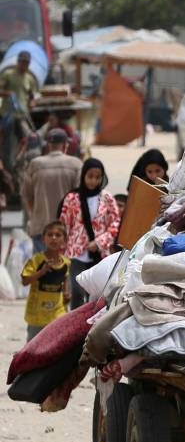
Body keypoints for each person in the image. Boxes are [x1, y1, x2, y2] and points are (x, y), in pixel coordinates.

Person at [58, 158, 121, 310]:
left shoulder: (107, 198)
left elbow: (115, 223)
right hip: (76, 254)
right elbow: (64, 224)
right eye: (90, 176)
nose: (93, 181)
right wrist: (61, 252)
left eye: (97, 177)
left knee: (99, 294)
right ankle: (75, 329)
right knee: (77, 293)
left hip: (100, 254)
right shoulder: (72, 198)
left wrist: (99, 242)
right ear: (83, 176)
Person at [21, 128, 83, 253]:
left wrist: (34, 215)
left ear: (48, 145)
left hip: (41, 228)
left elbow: (27, 196)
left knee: (41, 269)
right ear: (66, 145)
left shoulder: (35, 164)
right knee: (65, 269)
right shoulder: (76, 164)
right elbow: (80, 198)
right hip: (66, 230)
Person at [20, 221, 71, 341]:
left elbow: (65, 283)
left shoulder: (66, 262)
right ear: (43, 239)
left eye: (58, 235)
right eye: (50, 234)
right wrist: (41, 272)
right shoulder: (36, 260)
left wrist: (67, 295)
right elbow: (25, 281)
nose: (54, 238)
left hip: (57, 313)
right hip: (37, 314)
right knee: (33, 346)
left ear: (64, 240)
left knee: (55, 346)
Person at [0, 50, 38, 122]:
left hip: (22, 115)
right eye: (23, 62)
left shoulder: (29, 78)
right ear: (18, 62)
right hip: (7, 115)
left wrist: (33, 102)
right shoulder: (8, 74)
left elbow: (33, 95)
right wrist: (8, 93)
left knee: (28, 132)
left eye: (27, 63)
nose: (25, 65)